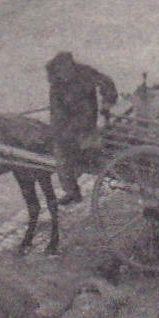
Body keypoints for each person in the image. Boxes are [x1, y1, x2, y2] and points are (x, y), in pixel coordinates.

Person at [45, 51, 118, 205]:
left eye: (66, 69)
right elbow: (56, 111)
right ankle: (73, 181)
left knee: (60, 155)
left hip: (82, 128)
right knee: (62, 148)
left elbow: (106, 83)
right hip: (78, 125)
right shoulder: (61, 80)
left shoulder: (81, 74)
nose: (64, 74)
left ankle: (72, 192)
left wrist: (107, 101)